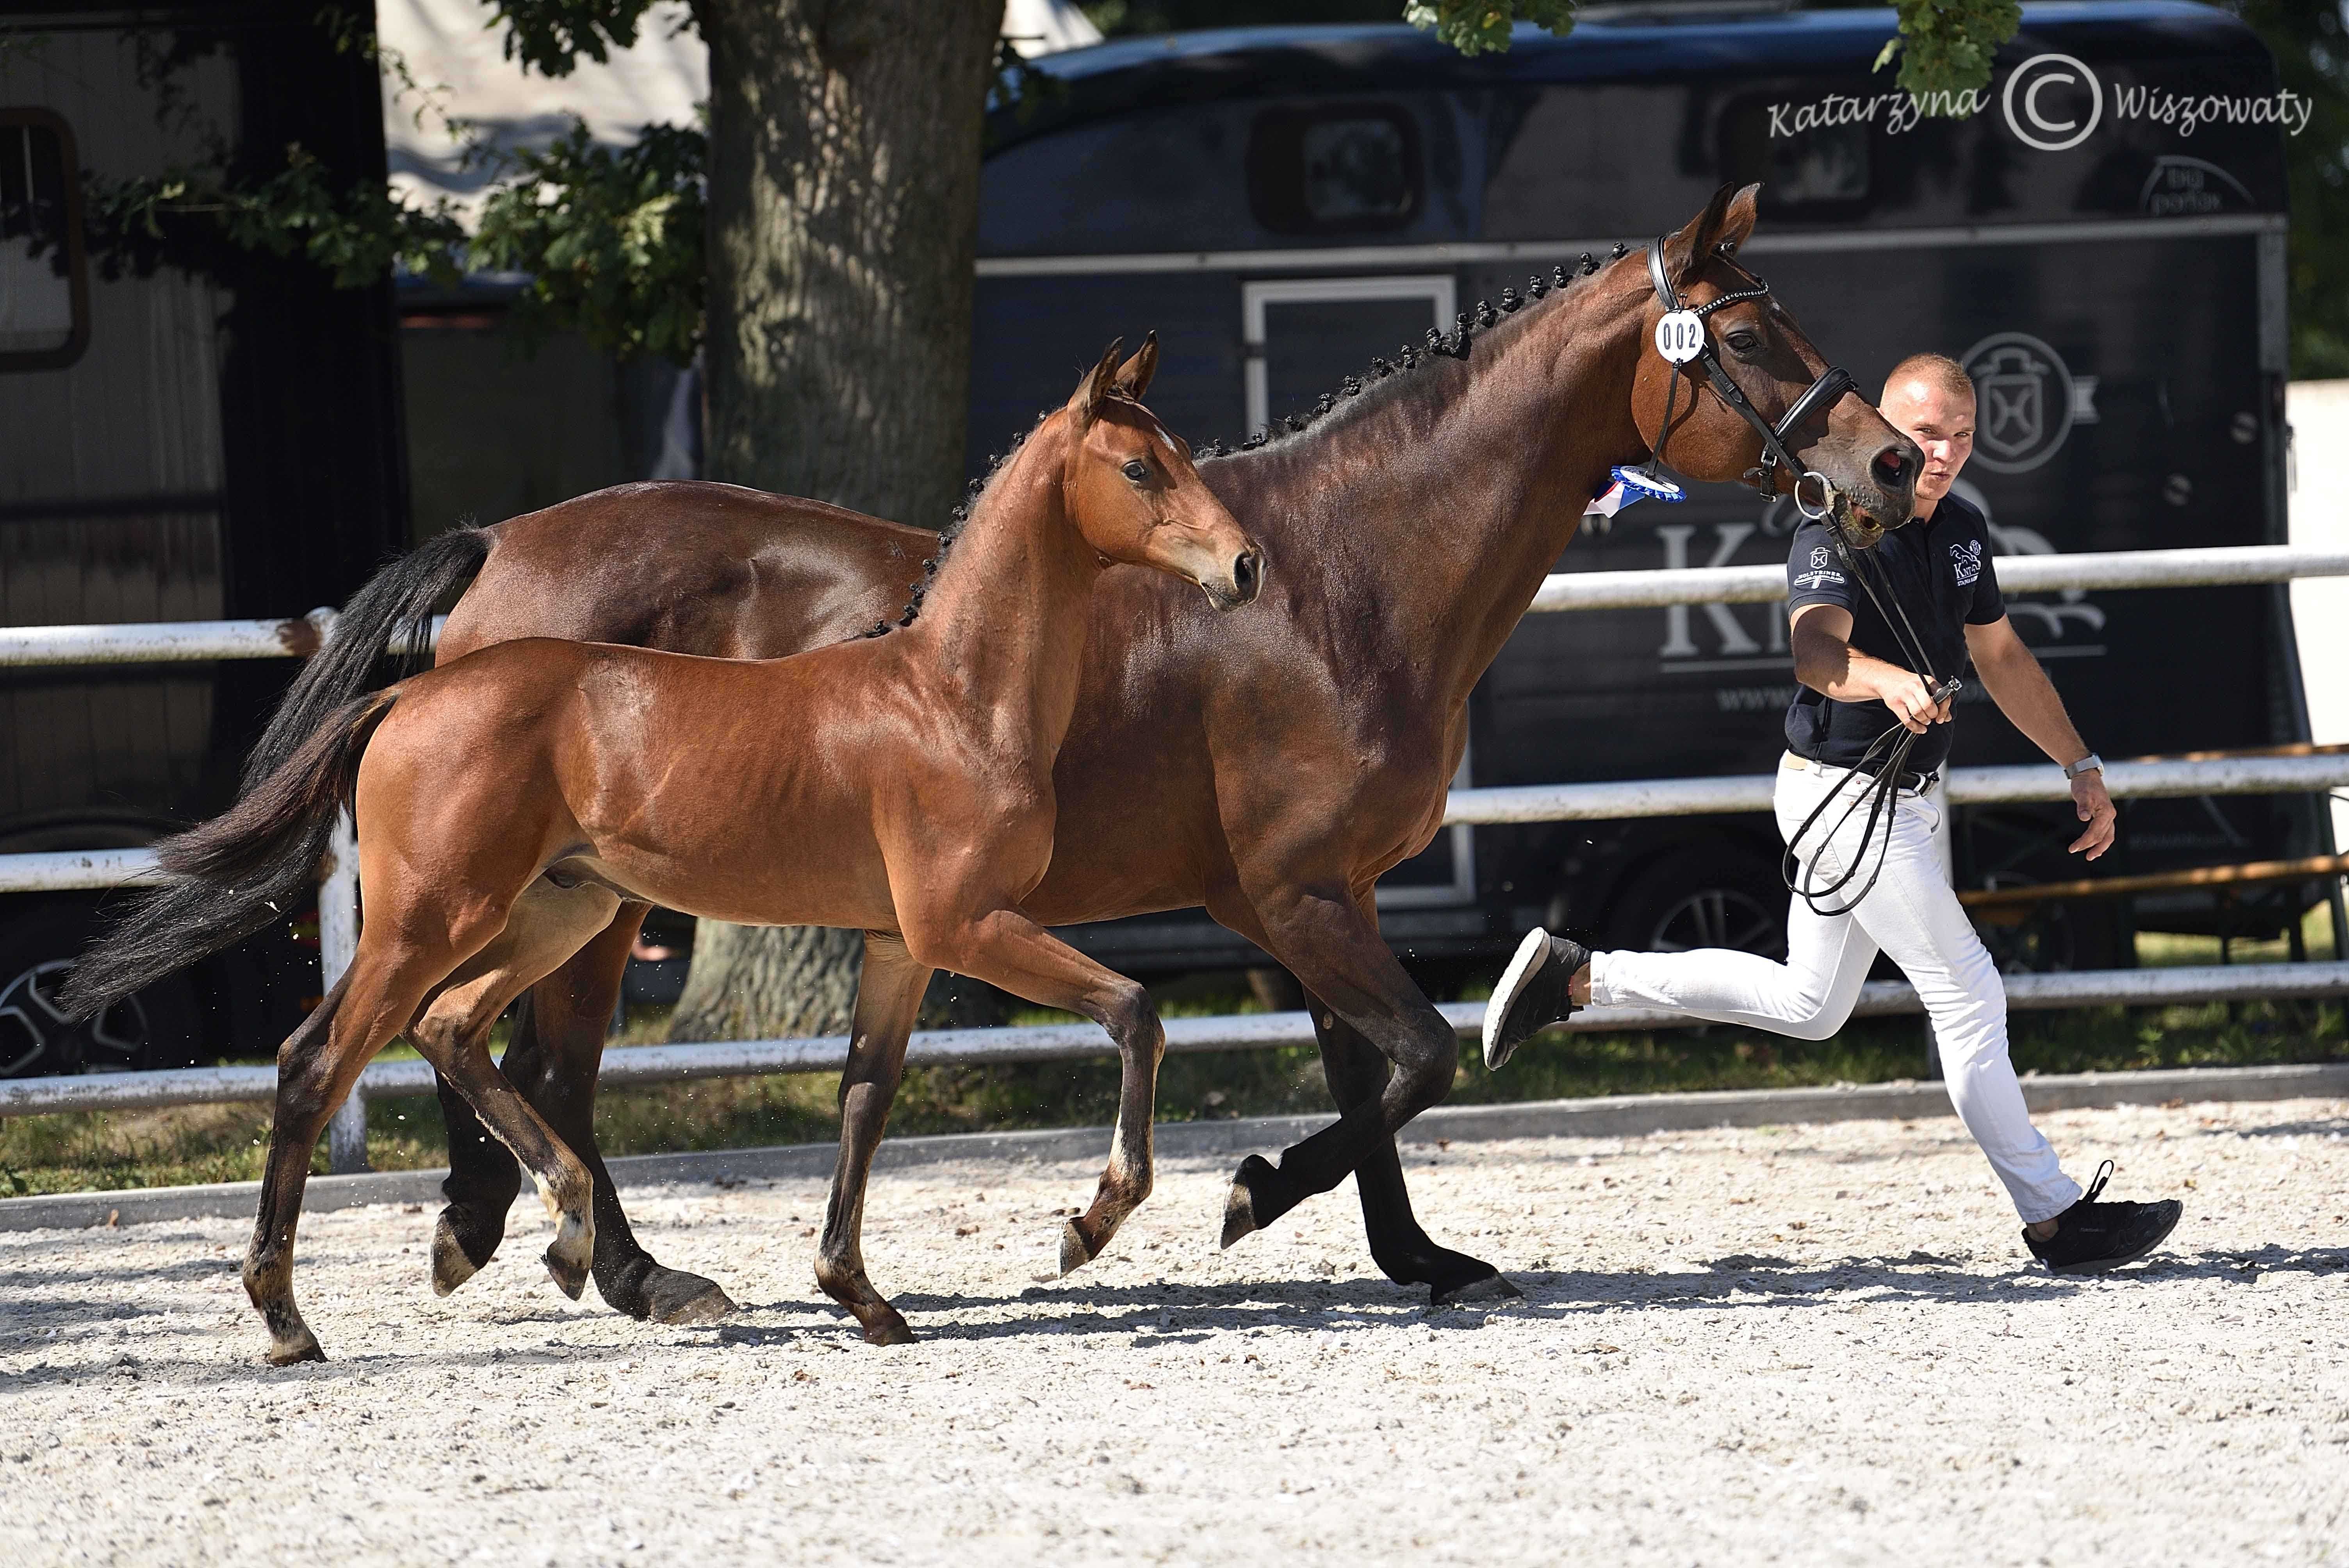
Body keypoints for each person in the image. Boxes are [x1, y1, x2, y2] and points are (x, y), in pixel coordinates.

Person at [1484, 354, 2182, 1275]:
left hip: (1907, 800)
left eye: (1962, 437)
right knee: (1967, 991)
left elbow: (2003, 657)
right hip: (1843, 798)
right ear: (1886, 429)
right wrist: (1887, 681)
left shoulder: (1964, 530)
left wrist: (2078, 763)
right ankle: (2055, 1216)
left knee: (1809, 1005)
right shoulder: (1835, 523)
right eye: (1927, 433)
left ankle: (1579, 979)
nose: (1944, 453)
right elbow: (1816, 656)